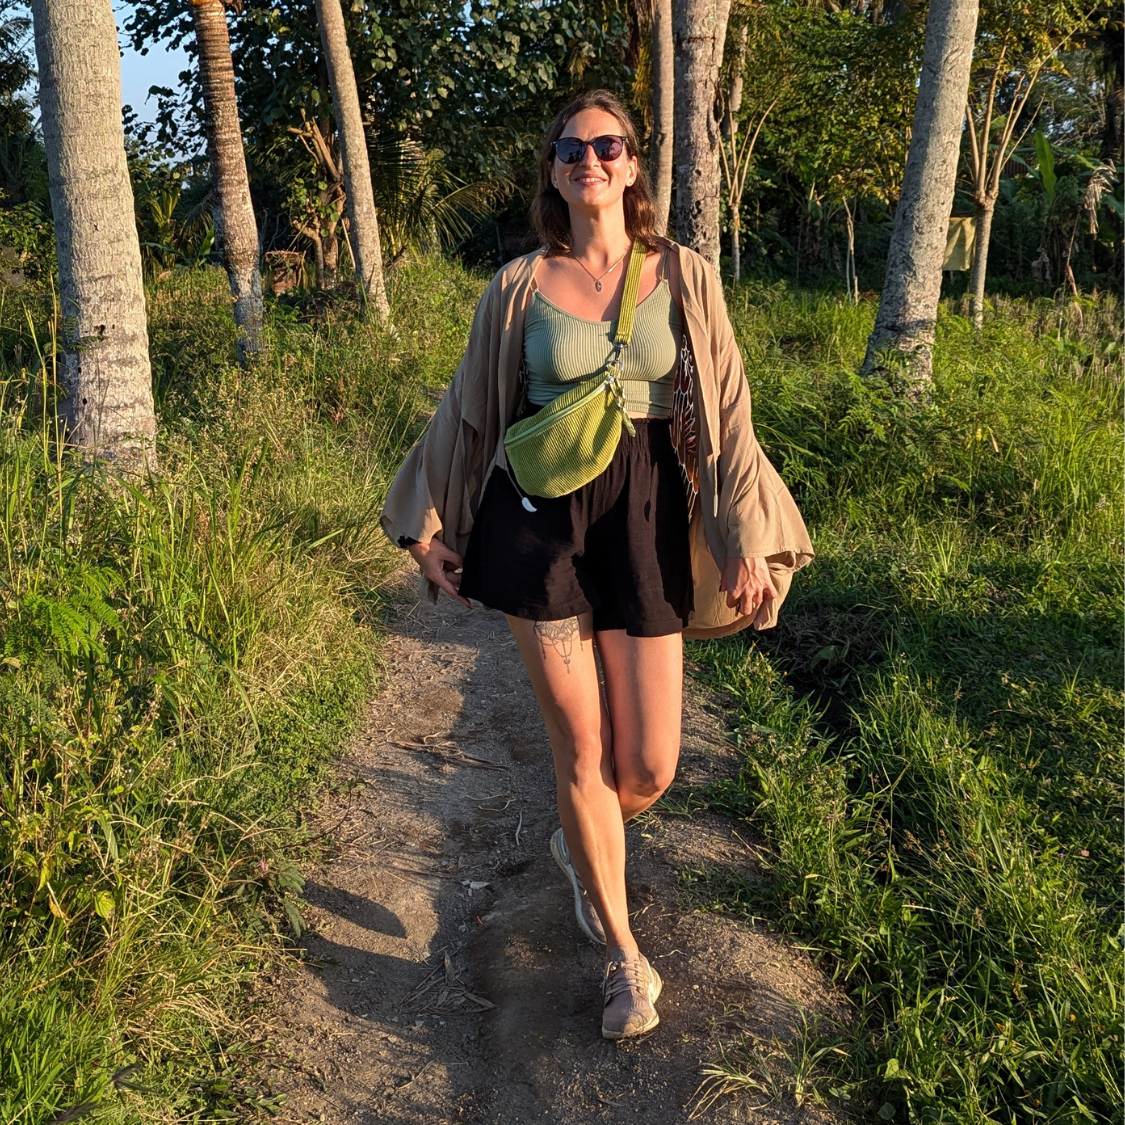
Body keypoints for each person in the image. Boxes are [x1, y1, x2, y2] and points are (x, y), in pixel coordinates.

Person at [380, 90, 813, 1040]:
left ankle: (581, 842)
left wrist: (746, 536)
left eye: (607, 145)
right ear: (552, 170)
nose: (590, 160)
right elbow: (468, 409)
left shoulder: (684, 275)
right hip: (538, 519)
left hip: (646, 518)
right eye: (571, 148)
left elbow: (729, 414)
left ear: (631, 165)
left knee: (649, 764)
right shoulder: (518, 285)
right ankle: (624, 957)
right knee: (579, 750)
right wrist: (424, 524)